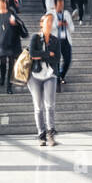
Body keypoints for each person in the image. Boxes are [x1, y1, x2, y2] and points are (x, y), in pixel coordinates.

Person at [27, 13, 63, 146]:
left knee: (50, 105)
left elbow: (57, 58)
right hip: (35, 76)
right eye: (47, 22)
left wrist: (40, 56)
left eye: (51, 22)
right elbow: (32, 54)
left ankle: (50, 134)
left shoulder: (55, 40)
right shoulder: (35, 38)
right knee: (38, 106)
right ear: (41, 23)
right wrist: (48, 54)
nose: (49, 24)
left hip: (50, 75)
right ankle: (41, 134)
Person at [0, 0, 25, 92]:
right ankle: (2, 77)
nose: (3, 4)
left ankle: (9, 86)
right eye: (1, 2)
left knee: (12, 63)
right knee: (3, 62)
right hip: (1, 41)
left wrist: (15, 23)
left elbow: (19, 22)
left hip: (12, 40)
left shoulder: (11, 11)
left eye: (5, 2)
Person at [50, 0, 73, 85]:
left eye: (62, 4)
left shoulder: (66, 14)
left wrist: (67, 25)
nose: (61, 6)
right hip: (55, 40)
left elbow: (72, 28)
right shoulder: (50, 14)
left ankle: (61, 75)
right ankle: (57, 78)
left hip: (66, 40)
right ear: (55, 5)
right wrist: (57, 25)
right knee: (57, 60)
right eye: (59, 4)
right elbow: (47, 27)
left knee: (68, 59)